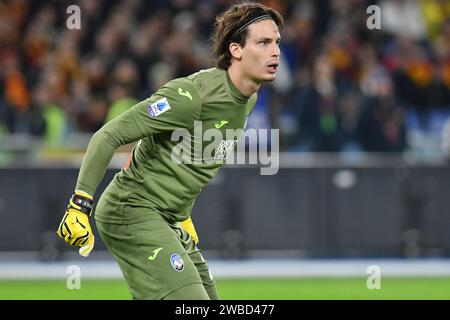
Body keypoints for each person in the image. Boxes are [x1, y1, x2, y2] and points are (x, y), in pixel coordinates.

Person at [57, 1, 284, 300]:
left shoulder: (248, 101)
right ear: (236, 50)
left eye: (277, 42)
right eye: (264, 42)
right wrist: (80, 204)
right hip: (131, 210)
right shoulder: (191, 96)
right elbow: (107, 135)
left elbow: (192, 161)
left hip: (168, 219)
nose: (276, 51)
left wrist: (183, 213)